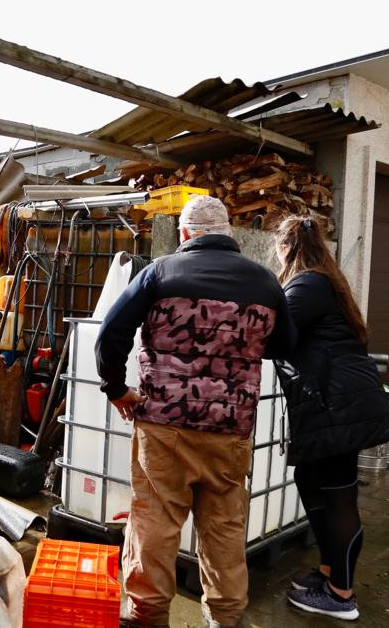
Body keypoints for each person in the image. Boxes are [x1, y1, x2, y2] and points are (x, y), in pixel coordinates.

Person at [96, 195, 294, 628]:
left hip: (164, 425)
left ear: (185, 234)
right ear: (228, 234)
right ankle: (224, 616)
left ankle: (147, 615)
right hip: (231, 426)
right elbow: (283, 345)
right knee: (224, 524)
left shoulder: (160, 273)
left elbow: (110, 335)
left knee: (155, 520)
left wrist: (116, 389)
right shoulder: (265, 282)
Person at [275, 216, 389, 622]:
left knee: (339, 495)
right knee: (310, 480)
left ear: (286, 246)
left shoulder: (307, 283)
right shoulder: (325, 280)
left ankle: (342, 595)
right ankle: (328, 573)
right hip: (336, 401)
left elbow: (276, 334)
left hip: (337, 405)